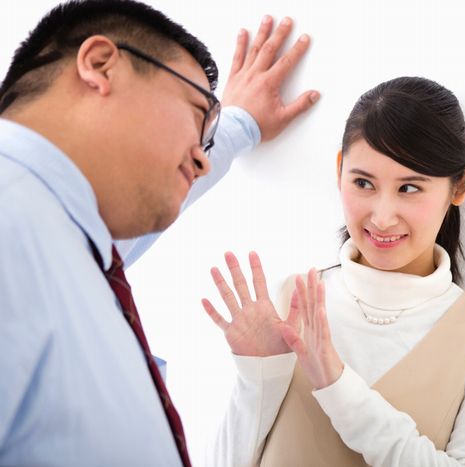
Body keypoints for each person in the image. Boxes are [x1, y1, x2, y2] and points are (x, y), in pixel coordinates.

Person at [0, 0, 318, 465]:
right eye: (196, 111)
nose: (202, 158)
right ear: (101, 65)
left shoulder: (67, 238)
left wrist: (239, 125)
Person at [202, 77, 465, 466]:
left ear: (460, 186)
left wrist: (337, 386)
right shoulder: (290, 300)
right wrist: (258, 377)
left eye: (409, 188)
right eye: (363, 182)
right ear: (339, 170)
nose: (383, 217)